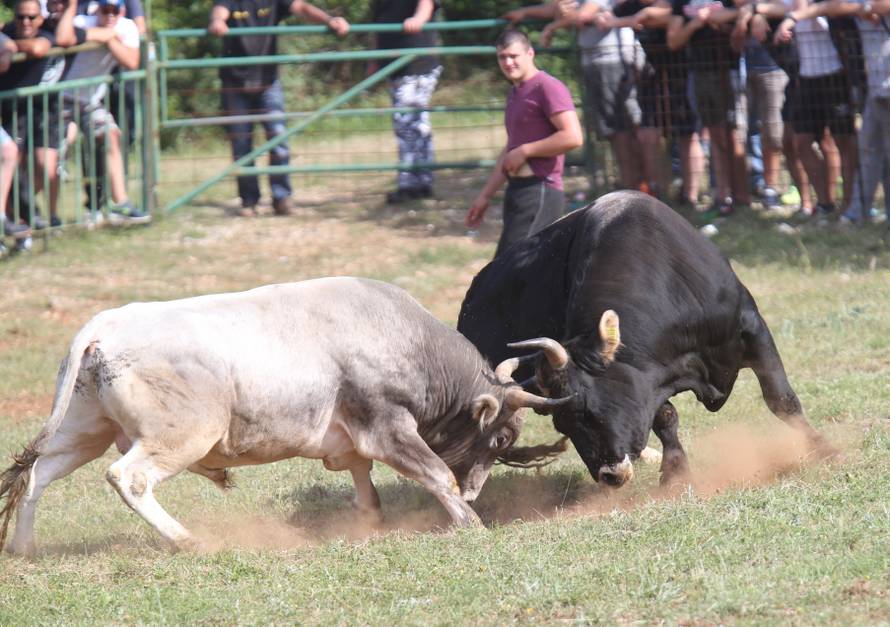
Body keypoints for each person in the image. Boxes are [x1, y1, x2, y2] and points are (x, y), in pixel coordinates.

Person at [208, 0, 349, 217]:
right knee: (241, 145)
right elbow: (220, 10)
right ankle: (249, 201)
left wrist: (330, 21)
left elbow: (301, 8)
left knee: (279, 140)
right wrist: (217, 21)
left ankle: (282, 197)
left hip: (268, 80)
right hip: (235, 80)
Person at [465, 29, 583, 257]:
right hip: (517, 190)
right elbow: (511, 150)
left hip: (541, 189)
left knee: (507, 268)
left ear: (530, 53)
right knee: (524, 271)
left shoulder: (547, 87)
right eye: (502, 57)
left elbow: (573, 136)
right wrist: (485, 196)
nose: (508, 62)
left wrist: (526, 151)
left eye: (513, 56)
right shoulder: (516, 92)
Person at [509, 1, 648, 192]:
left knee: (621, 128)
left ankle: (634, 186)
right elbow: (559, 8)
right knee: (612, 129)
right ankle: (629, 184)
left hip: (611, 61)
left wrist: (553, 26)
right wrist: (525, 11)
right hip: (598, 61)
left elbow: (581, 15)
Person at [63, 0, 150, 224]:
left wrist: (108, 38)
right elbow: (65, 37)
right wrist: (105, 35)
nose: (110, 15)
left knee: (112, 136)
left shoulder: (127, 27)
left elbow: (132, 61)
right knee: (50, 156)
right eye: (105, 10)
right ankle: (34, 217)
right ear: (97, 10)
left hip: (89, 102)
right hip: (58, 97)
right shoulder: (82, 21)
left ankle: (121, 203)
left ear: (122, 10)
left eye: (115, 10)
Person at [771, 0, 859, 219]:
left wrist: (791, 19)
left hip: (835, 76)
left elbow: (825, 9)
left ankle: (848, 204)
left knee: (843, 141)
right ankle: (825, 202)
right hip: (806, 80)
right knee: (801, 142)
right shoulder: (791, 6)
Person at [668, 0, 751, 215]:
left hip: (729, 71)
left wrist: (721, 19)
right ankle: (722, 195)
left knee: (733, 136)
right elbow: (673, 41)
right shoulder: (682, 3)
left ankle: (742, 196)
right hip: (700, 74)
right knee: (715, 135)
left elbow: (745, 10)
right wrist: (695, 24)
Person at [372, 0, 443, 204]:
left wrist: (418, 19)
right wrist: (374, 60)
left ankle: (411, 183)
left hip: (417, 63)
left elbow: (427, 3)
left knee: (409, 123)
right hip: (395, 66)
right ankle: (420, 181)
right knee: (411, 123)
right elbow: (377, 23)